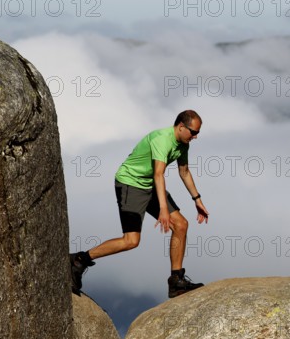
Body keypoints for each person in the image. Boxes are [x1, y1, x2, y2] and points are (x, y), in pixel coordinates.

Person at [69, 110, 209, 298]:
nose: (196, 136)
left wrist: (197, 200)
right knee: (131, 241)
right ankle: (79, 260)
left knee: (181, 225)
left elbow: (184, 172)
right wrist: (163, 209)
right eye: (193, 132)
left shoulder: (183, 144)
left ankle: (176, 281)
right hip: (130, 184)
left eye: (197, 132)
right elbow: (159, 174)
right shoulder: (162, 140)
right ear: (181, 127)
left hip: (150, 185)